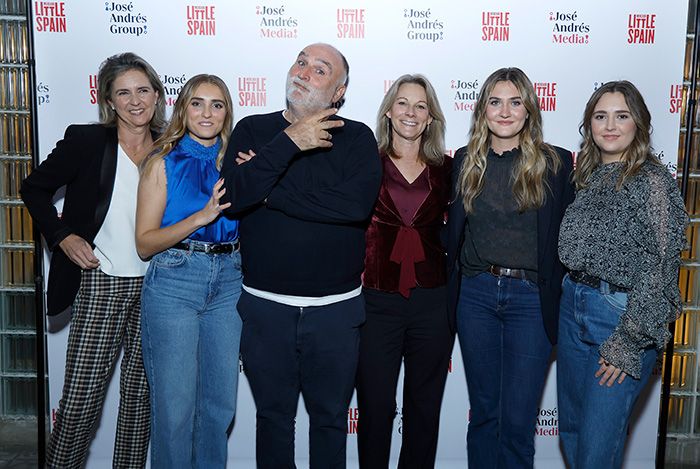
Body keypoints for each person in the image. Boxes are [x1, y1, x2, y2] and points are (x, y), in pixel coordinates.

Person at [220, 42, 382, 468]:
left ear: (339, 92)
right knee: (273, 420)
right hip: (265, 308)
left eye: (321, 69)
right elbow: (234, 197)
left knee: (330, 421)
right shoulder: (254, 131)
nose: (305, 71)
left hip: (335, 311)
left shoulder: (358, 137)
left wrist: (269, 189)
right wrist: (288, 142)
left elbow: (352, 207)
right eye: (301, 61)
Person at [20, 52, 165, 468]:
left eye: (142, 90)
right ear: (109, 100)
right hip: (100, 281)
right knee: (81, 404)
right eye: (123, 93)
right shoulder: (86, 142)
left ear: (157, 94)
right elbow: (34, 188)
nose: (135, 101)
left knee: (140, 402)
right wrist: (62, 236)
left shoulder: (173, 147)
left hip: (158, 286)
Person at [446, 67, 575, 468]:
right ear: (482, 109)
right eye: (495, 102)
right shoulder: (466, 161)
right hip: (475, 296)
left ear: (529, 110)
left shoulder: (556, 163)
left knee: (518, 423)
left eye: (515, 102)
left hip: (530, 302)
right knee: (484, 414)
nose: (505, 111)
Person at [557, 80, 687, 468]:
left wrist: (628, 341)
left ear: (639, 124)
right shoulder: (589, 177)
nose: (610, 125)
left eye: (621, 115)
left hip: (617, 318)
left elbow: (661, 267)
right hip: (573, 307)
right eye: (600, 116)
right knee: (574, 438)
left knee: (597, 450)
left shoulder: (652, 181)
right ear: (589, 126)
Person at [135, 74, 241, 467]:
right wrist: (202, 216)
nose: (207, 112)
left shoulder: (236, 162)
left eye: (217, 104)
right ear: (183, 109)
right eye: (197, 103)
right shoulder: (162, 161)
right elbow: (145, 243)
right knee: (175, 408)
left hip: (230, 280)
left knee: (218, 406)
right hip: (176, 279)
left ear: (227, 111)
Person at [356, 74, 453, 468]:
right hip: (377, 299)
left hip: (432, 300)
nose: (410, 112)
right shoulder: (365, 164)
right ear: (389, 112)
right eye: (402, 103)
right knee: (376, 408)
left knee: (424, 409)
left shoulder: (449, 169)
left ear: (430, 117)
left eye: (420, 105)